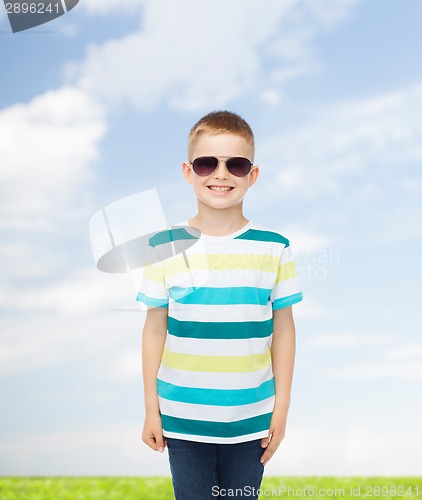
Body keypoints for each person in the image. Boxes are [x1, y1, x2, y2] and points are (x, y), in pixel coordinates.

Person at [137, 110, 304, 499]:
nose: (221, 173)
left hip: (251, 420)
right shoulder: (163, 246)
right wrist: (151, 408)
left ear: (253, 174)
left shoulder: (274, 247)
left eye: (236, 164)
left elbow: (284, 329)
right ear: (188, 171)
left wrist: (282, 408)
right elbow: (154, 329)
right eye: (207, 162)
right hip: (182, 417)